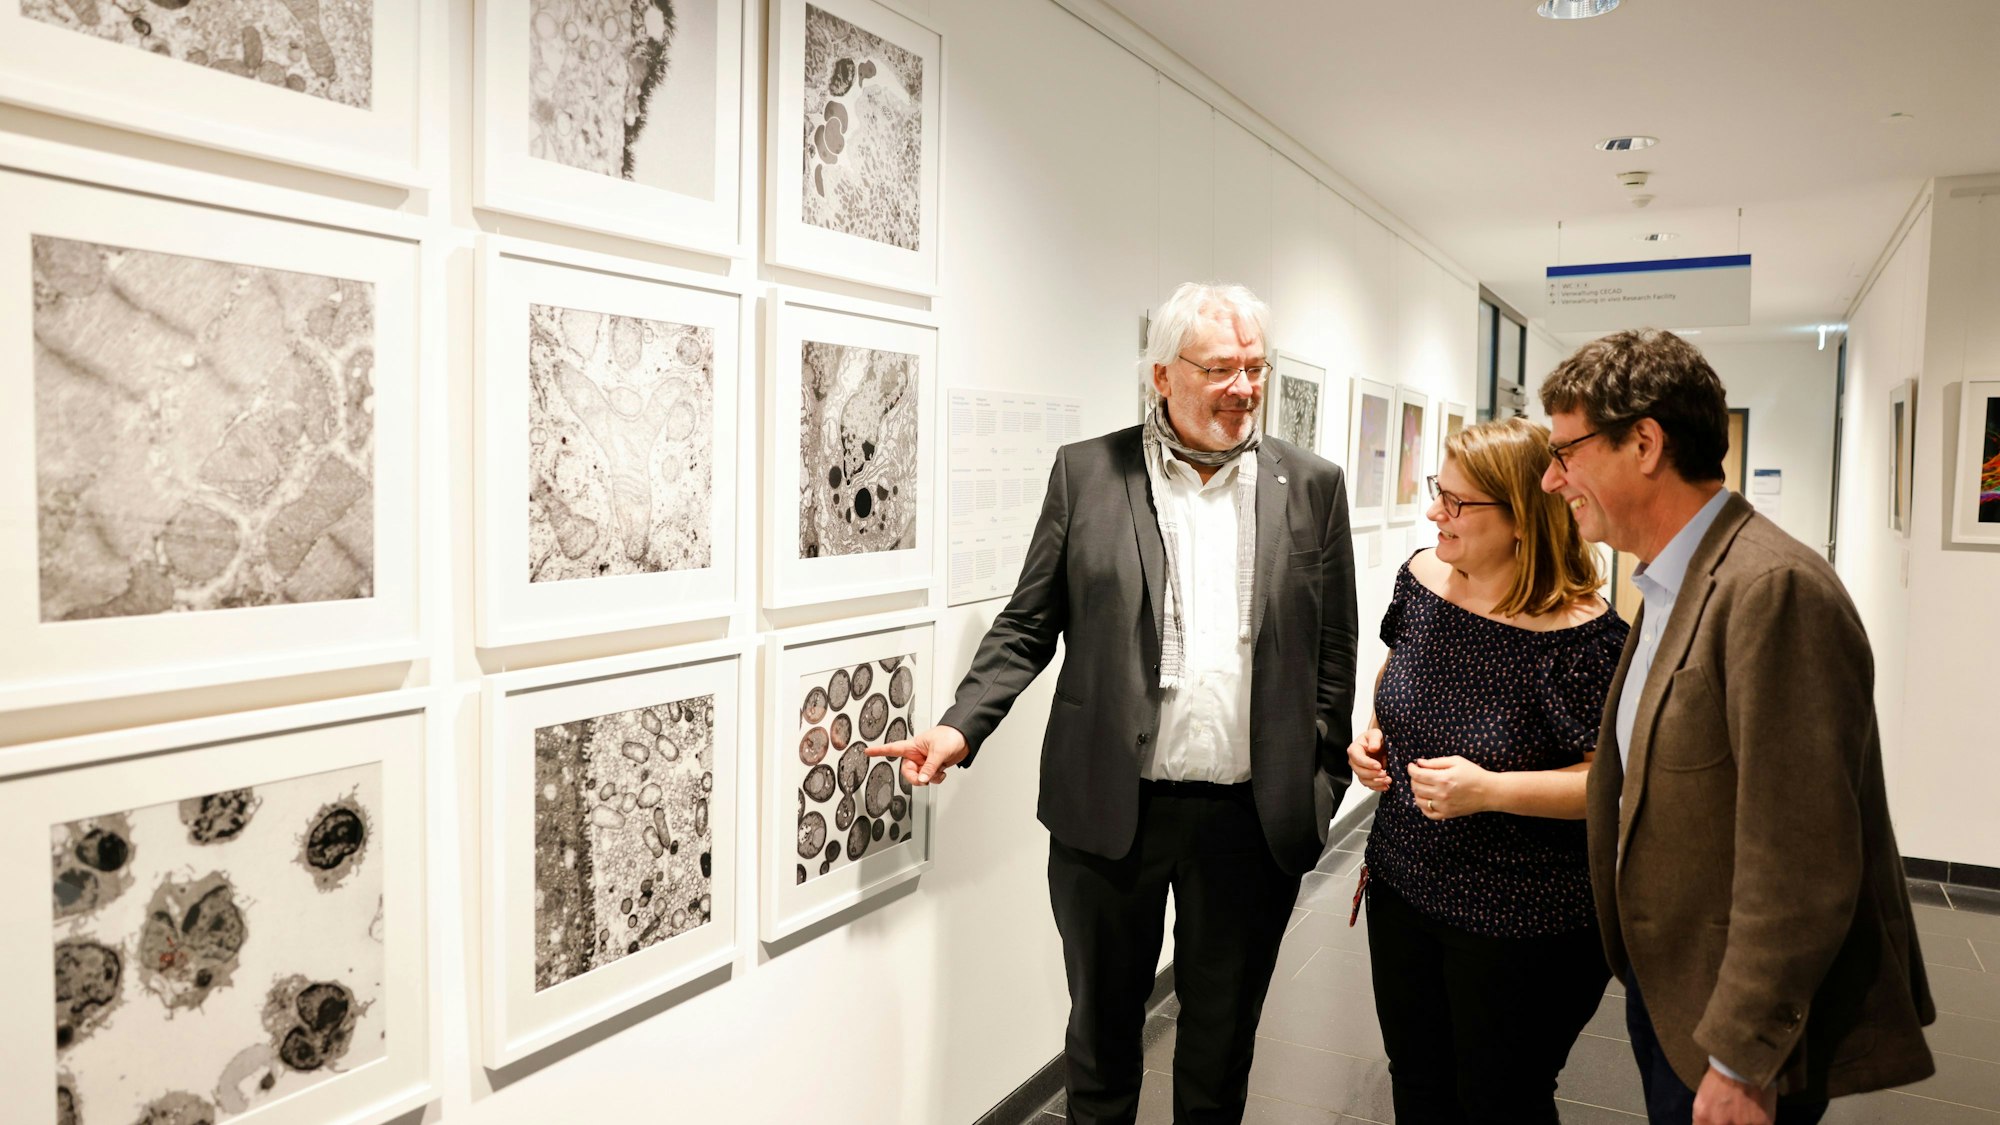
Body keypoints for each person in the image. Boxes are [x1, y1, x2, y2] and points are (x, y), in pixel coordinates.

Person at [868, 282, 1358, 1125]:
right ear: (1161, 375)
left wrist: (1319, 779)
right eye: (1220, 369)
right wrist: (959, 725)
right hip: (1111, 812)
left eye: (1255, 368)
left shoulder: (1310, 483)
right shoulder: (1089, 473)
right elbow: (1028, 623)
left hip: (1251, 819)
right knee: (1100, 1042)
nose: (1244, 389)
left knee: (1221, 1047)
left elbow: (1334, 651)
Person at [1538, 329, 1936, 1125]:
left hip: (1735, 1037)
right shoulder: (1672, 582)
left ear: (1644, 442)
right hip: (1675, 993)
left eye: (1566, 451)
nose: (1552, 479)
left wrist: (1742, 1056)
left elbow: (1803, 855)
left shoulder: (1771, 589)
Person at [1345, 417, 1628, 1124]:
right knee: (1417, 1081)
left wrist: (1490, 790)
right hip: (1404, 887)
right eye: (1439, 491)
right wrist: (1375, 735)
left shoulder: (1583, 638)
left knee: (1501, 1101)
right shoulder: (1420, 577)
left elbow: (1612, 784)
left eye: (1459, 503)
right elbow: (1397, 672)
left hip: (1522, 918)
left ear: (1523, 521)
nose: (1436, 512)